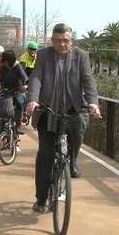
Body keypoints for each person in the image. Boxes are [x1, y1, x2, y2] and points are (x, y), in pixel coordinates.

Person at [26, 23, 101, 213]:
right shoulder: (43, 55)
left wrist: (93, 102)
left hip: (73, 108)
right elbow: (36, 78)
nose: (62, 44)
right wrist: (33, 100)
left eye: (66, 41)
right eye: (58, 41)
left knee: (78, 133)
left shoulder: (81, 56)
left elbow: (87, 80)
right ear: (52, 41)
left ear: (71, 41)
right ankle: (41, 198)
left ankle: (73, 160)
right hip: (48, 110)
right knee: (45, 155)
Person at [0, 50, 29, 134]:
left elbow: (24, 77)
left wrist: (26, 85)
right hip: (6, 90)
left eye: (4, 60)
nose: (3, 61)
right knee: (0, 105)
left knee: (19, 103)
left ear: (8, 60)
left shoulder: (18, 67)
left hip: (18, 90)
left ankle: (18, 126)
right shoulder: (2, 68)